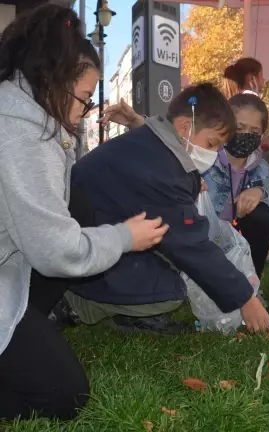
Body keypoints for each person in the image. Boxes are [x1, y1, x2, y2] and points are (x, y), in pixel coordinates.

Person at [0, 5, 169, 421]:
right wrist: (126, 237)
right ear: (52, 79)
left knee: (81, 206)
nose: (86, 110)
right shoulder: (23, 134)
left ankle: (29, 322)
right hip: (17, 268)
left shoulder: (30, 116)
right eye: (85, 98)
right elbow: (57, 251)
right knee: (65, 395)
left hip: (12, 266)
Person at [52, 83, 269, 335]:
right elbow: (192, 245)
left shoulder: (153, 146)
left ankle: (116, 306)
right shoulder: (162, 171)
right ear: (184, 128)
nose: (212, 155)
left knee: (171, 264)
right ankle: (77, 305)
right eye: (211, 144)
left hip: (90, 238)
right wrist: (246, 300)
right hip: (83, 257)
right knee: (170, 290)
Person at [202, 93, 269, 278]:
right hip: (204, 238)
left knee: (261, 214)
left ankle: (251, 282)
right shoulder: (204, 159)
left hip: (236, 241)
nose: (245, 136)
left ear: (263, 134)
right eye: (239, 128)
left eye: (253, 132)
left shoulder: (263, 170)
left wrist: (260, 192)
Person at [222, 57, 269, 152]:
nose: (264, 80)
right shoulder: (251, 101)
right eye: (261, 76)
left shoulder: (231, 99)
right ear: (251, 78)